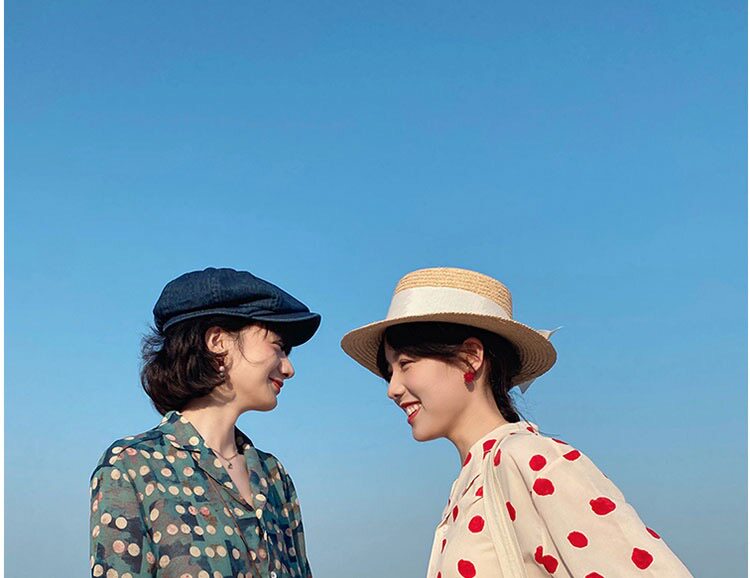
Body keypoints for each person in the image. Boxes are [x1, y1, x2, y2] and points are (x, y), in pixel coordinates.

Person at [341, 267, 693, 578]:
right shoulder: (473, 479)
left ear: (470, 357)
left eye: (405, 365)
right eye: (390, 371)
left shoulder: (526, 459)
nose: (392, 389)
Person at [90, 267, 321, 578]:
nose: (289, 368)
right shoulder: (132, 466)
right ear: (218, 341)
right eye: (278, 347)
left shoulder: (274, 476)